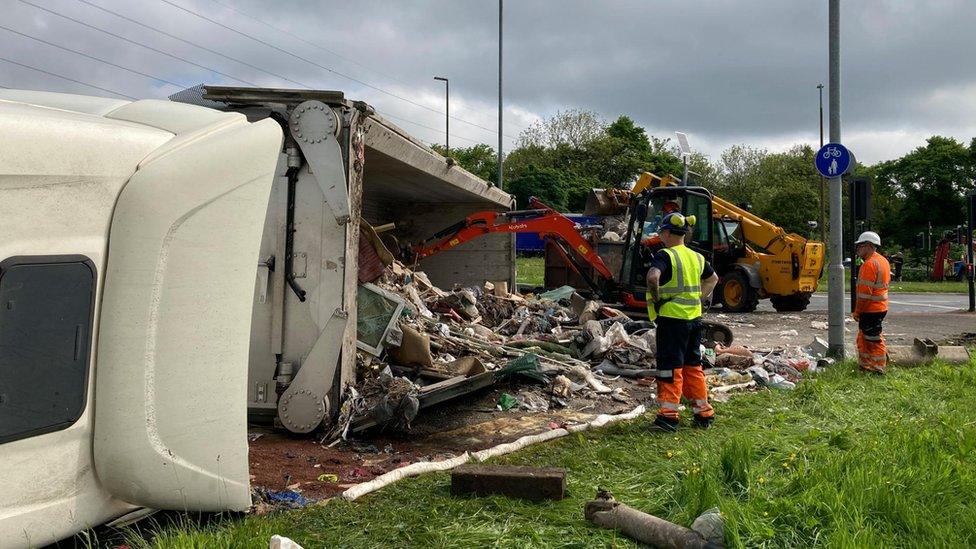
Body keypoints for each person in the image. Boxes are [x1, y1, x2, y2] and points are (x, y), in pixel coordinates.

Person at [645, 212, 720, 432]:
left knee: (670, 367)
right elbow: (713, 279)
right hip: (694, 320)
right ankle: (703, 413)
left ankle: (668, 417)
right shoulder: (696, 257)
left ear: (668, 233)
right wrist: (699, 298)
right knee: (693, 366)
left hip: (672, 320)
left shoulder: (665, 255)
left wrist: (658, 299)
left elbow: (652, 277)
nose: (660, 236)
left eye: (661, 232)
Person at [853, 231, 890, 373]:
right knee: (865, 337)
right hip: (879, 307)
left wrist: (857, 311)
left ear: (868, 245)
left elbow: (864, 295)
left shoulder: (869, 264)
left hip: (871, 309)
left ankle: (877, 367)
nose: (858, 250)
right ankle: (866, 366)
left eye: (860, 246)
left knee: (873, 340)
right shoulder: (883, 261)